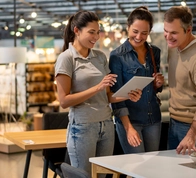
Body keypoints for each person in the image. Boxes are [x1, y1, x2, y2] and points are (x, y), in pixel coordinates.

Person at [54, 10, 141, 176]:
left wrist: (128, 95)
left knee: (103, 175)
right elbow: (64, 101)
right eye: (91, 32)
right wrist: (97, 87)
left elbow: (107, 96)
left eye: (98, 32)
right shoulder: (66, 59)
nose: (96, 37)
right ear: (77, 31)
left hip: (107, 126)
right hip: (82, 128)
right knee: (83, 175)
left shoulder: (100, 57)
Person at [109, 6, 165, 154]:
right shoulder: (117, 56)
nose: (139, 37)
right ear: (128, 28)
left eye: (144, 33)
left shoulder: (155, 52)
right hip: (130, 120)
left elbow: (153, 88)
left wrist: (158, 84)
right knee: (137, 168)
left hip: (153, 118)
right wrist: (128, 128)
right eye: (135, 31)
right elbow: (116, 97)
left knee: (153, 167)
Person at [163, 6, 196, 155]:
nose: (168, 37)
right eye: (166, 31)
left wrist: (191, 135)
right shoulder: (174, 47)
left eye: (173, 32)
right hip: (174, 122)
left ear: (188, 30)